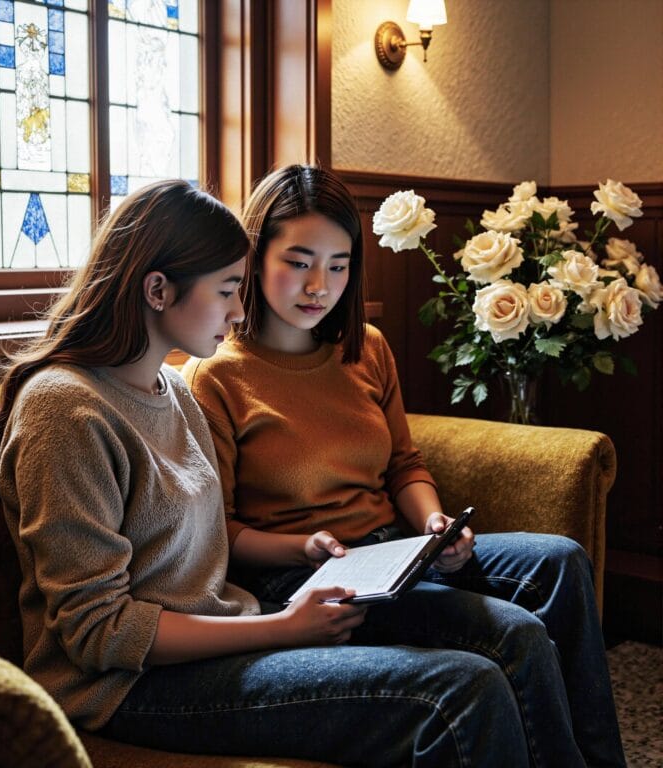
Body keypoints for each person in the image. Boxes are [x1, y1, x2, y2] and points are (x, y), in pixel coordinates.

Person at [0, 179, 536, 767]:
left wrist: (299, 562)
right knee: (460, 690)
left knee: (484, 664)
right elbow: (100, 632)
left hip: (226, 639)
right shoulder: (65, 408)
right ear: (158, 289)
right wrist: (283, 629)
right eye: (228, 289)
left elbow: (209, 553)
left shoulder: (174, 395)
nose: (240, 310)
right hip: (125, 687)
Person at [183, 165, 627, 768]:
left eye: (338, 266)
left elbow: (403, 465)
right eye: (299, 261)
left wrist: (434, 524)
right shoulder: (216, 376)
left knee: (561, 561)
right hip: (308, 581)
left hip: (396, 549)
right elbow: (222, 533)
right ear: (256, 256)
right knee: (513, 634)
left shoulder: (366, 348)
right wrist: (302, 547)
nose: (319, 285)